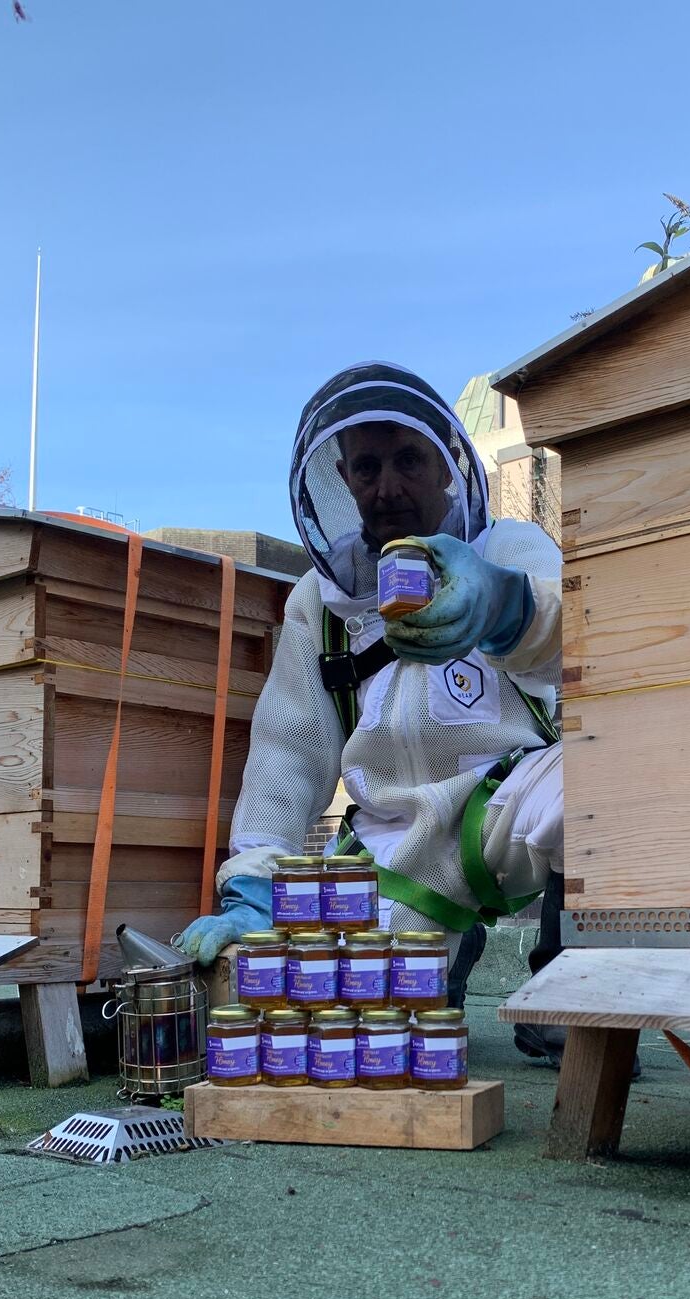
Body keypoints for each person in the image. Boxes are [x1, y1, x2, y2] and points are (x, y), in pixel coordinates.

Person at [177, 361, 567, 1060]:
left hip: (510, 799)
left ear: (449, 463)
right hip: (392, 841)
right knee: (337, 1029)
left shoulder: (509, 548)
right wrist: (257, 881)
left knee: (603, 787)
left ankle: (570, 984)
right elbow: (287, 750)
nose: (387, 486)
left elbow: (589, 639)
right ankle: (442, 945)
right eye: (367, 468)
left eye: (408, 460)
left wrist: (508, 605)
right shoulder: (317, 604)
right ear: (342, 477)